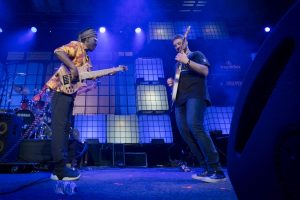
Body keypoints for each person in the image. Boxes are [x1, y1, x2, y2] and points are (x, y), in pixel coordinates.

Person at [33, 28, 99, 181]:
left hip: (69, 94)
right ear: (87, 38)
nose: (97, 41)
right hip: (60, 92)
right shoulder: (76, 45)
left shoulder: (87, 59)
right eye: (95, 38)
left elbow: (78, 85)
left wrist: (91, 85)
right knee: (59, 129)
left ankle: (61, 167)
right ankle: (59, 170)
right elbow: (58, 51)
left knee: (64, 129)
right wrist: (73, 67)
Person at [167, 34, 226, 183]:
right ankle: (206, 168)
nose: (177, 46)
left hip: (196, 96)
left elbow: (204, 71)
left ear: (185, 42)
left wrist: (187, 60)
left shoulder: (196, 54)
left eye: (179, 43)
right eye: (175, 45)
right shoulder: (177, 64)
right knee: (185, 133)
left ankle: (217, 170)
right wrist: (173, 83)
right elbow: (180, 82)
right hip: (180, 101)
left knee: (196, 127)